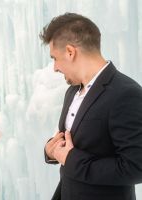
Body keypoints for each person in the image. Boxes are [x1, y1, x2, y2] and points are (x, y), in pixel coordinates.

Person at [40, 13, 142, 200]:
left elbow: (135, 168)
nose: (54, 67)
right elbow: (73, 145)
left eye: (54, 58)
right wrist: (51, 151)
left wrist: (71, 160)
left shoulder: (126, 94)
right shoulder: (71, 92)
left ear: (70, 52)